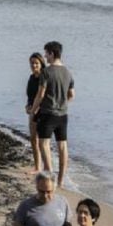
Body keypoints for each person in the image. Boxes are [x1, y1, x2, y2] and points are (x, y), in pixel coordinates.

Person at [30, 40, 75, 188]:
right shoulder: (68, 72)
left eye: (46, 53)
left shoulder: (46, 72)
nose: (45, 56)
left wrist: (33, 110)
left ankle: (49, 175)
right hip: (63, 115)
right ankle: (61, 181)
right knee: (63, 147)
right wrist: (62, 103)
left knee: (44, 143)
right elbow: (71, 95)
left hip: (48, 114)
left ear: (52, 53)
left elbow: (40, 94)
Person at [25, 52, 47, 173]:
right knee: (33, 139)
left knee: (43, 141)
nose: (34, 65)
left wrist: (36, 108)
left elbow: (44, 96)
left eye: (36, 63)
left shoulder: (44, 77)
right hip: (32, 111)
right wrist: (28, 106)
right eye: (32, 63)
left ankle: (46, 167)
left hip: (43, 111)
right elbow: (29, 95)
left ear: (41, 64)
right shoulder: (31, 78)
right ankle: (37, 166)